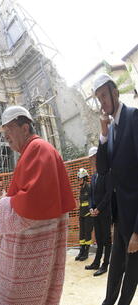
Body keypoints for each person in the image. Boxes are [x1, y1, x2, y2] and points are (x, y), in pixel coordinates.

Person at [0, 105, 75, 305]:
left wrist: (5, 202)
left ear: (25, 128)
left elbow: (32, 204)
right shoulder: (32, 150)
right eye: (4, 132)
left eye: (9, 130)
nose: (6, 137)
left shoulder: (38, 149)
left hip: (32, 242)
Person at [94, 73, 138, 305]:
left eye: (104, 95)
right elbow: (102, 169)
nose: (102, 102)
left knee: (131, 276)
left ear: (115, 92)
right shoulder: (110, 131)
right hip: (120, 218)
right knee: (114, 273)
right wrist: (102, 134)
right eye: (98, 98)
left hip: (135, 221)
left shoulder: (134, 117)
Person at [85, 146, 112, 276]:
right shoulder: (94, 176)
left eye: (93, 158)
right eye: (91, 159)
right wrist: (91, 207)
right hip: (95, 212)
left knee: (106, 239)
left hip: (105, 212)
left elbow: (108, 194)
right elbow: (91, 195)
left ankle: (105, 264)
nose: (92, 161)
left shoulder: (106, 173)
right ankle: (96, 262)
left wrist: (98, 209)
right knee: (99, 239)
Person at [75, 167, 94, 261]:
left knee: (87, 234)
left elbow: (91, 201)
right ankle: (81, 251)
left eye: (80, 178)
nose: (79, 180)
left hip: (88, 215)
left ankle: (86, 252)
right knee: (81, 234)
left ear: (84, 178)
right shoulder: (81, 188)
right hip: (82, 214)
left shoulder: (89, 187)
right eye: (78, 179)